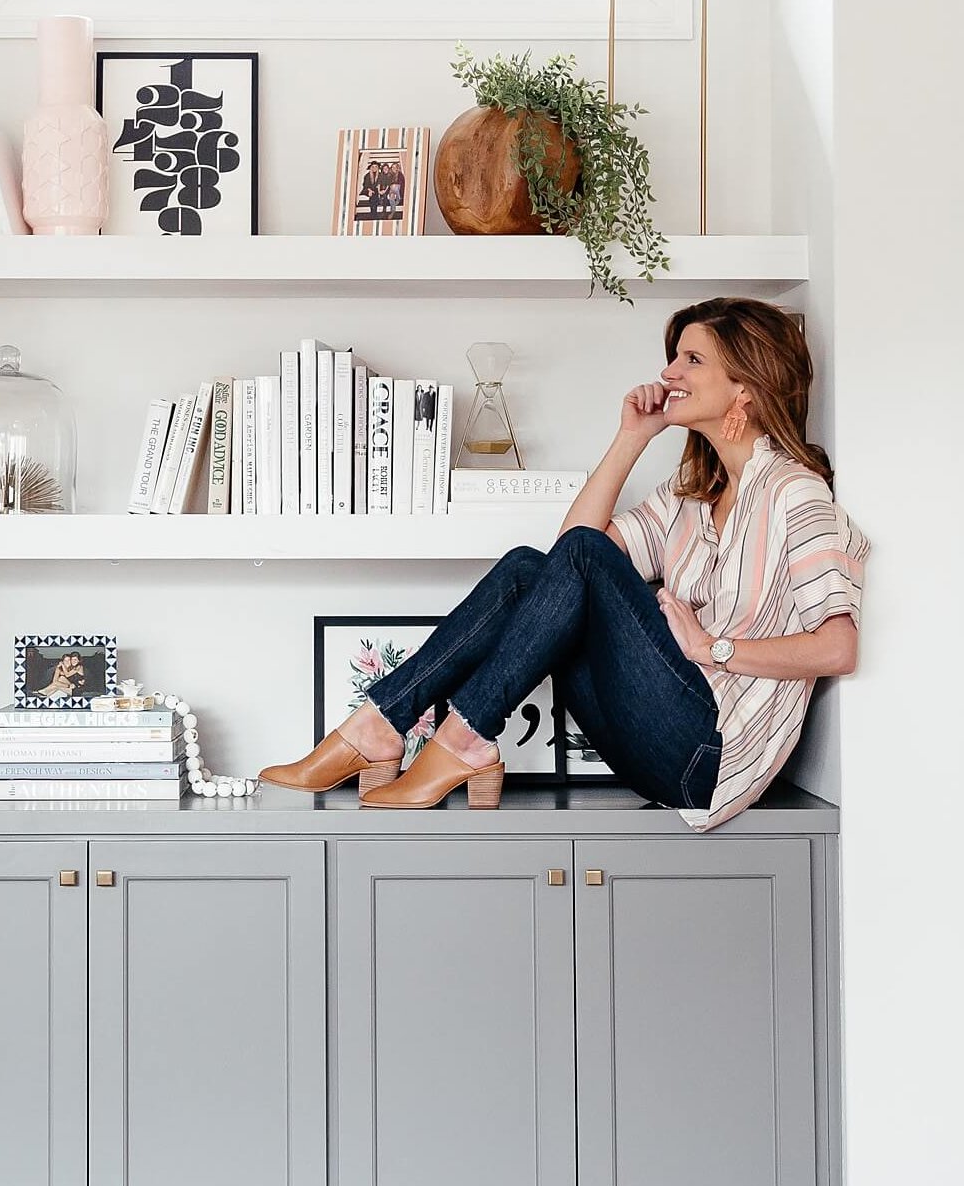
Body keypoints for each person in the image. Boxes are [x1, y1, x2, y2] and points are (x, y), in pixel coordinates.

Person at [259, 298, 869, 829]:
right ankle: (382, 722)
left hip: (709, 756)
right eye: (674, 357)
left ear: (747, 385)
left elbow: (838, 648)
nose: (668, 372)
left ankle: (454, 736)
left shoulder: (795, 494)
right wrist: (632, 437)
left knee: (576, 555)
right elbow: (564, 563)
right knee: (531, 567)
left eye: (692, 360)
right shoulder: (693, 495)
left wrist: (714, 650)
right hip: (652, 737)